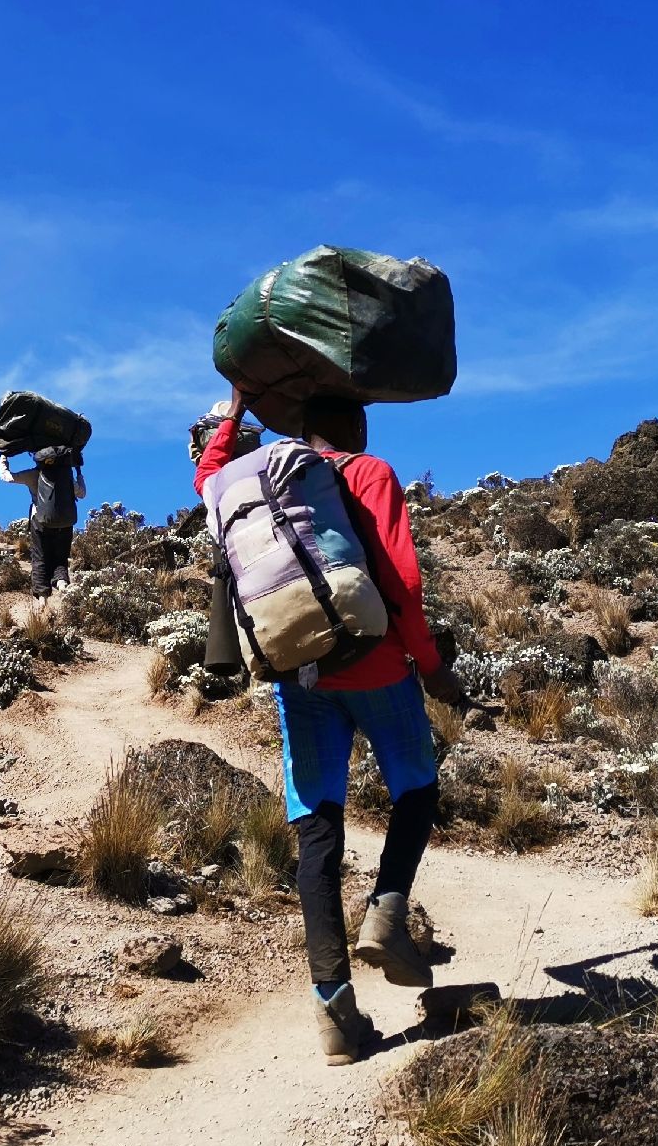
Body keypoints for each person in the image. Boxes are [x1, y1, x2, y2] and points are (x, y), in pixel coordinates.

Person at [194, 385, 467, 1066]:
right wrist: (433, 668)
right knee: (417, 789)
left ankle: (334, 1014)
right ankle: (387, 913)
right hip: (375, 665)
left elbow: (206, 473)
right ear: (354, 425)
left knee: (317, 829)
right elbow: (402, 585)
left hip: (297, 673)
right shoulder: (368, 472)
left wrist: (236, 406)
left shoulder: (242, 483)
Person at [0, 446, 84, 598]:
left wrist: (3, 458)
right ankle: (62, 585)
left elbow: (7, 477)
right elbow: (82, 494)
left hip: (40, 522)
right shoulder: (66, 475)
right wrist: (78, 473)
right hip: (65, 522)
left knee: (39, 557)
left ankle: (42, 599)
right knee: (60, 558)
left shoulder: (33, 474)